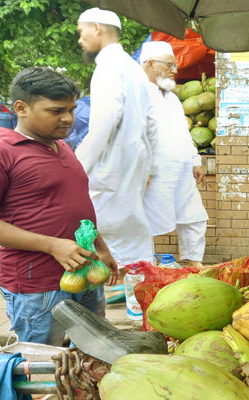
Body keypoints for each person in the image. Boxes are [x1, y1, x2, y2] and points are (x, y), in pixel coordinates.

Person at [0, 67, 118, 346]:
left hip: (85, 272)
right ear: (21, 107)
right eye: (56, 111)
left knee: (94, 353)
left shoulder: (63, 148)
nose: (68, 118)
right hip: (37, 285)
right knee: (43, 363)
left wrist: (101, 248)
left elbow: (77, 208)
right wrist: (53, 245)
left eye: (71, 109)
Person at [75, 8, 157, 268]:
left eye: (81, 31)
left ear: (96, 28)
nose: (80, 40)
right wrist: (149, 167)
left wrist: (78, 166)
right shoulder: (133, 68)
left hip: (112, 164)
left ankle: (128, 290)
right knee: (133, 231)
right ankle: (138, 292)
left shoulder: (109, 67)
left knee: (111, 236)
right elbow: (152, 123)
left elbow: (105, 122)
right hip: (134, 162)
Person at [139, 41, 209, 268]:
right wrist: (142, 168)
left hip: (181, 169)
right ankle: (142, 268)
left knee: (194, 216)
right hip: (153, 171)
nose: (173, 70)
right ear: (149, 64)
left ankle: (193, 263)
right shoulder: (137, 95)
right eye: (168, 65)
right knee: (144, 222)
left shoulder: (171, 98)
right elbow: (133, 135)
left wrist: (195, 161)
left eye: (174, 65)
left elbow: (183, 133)